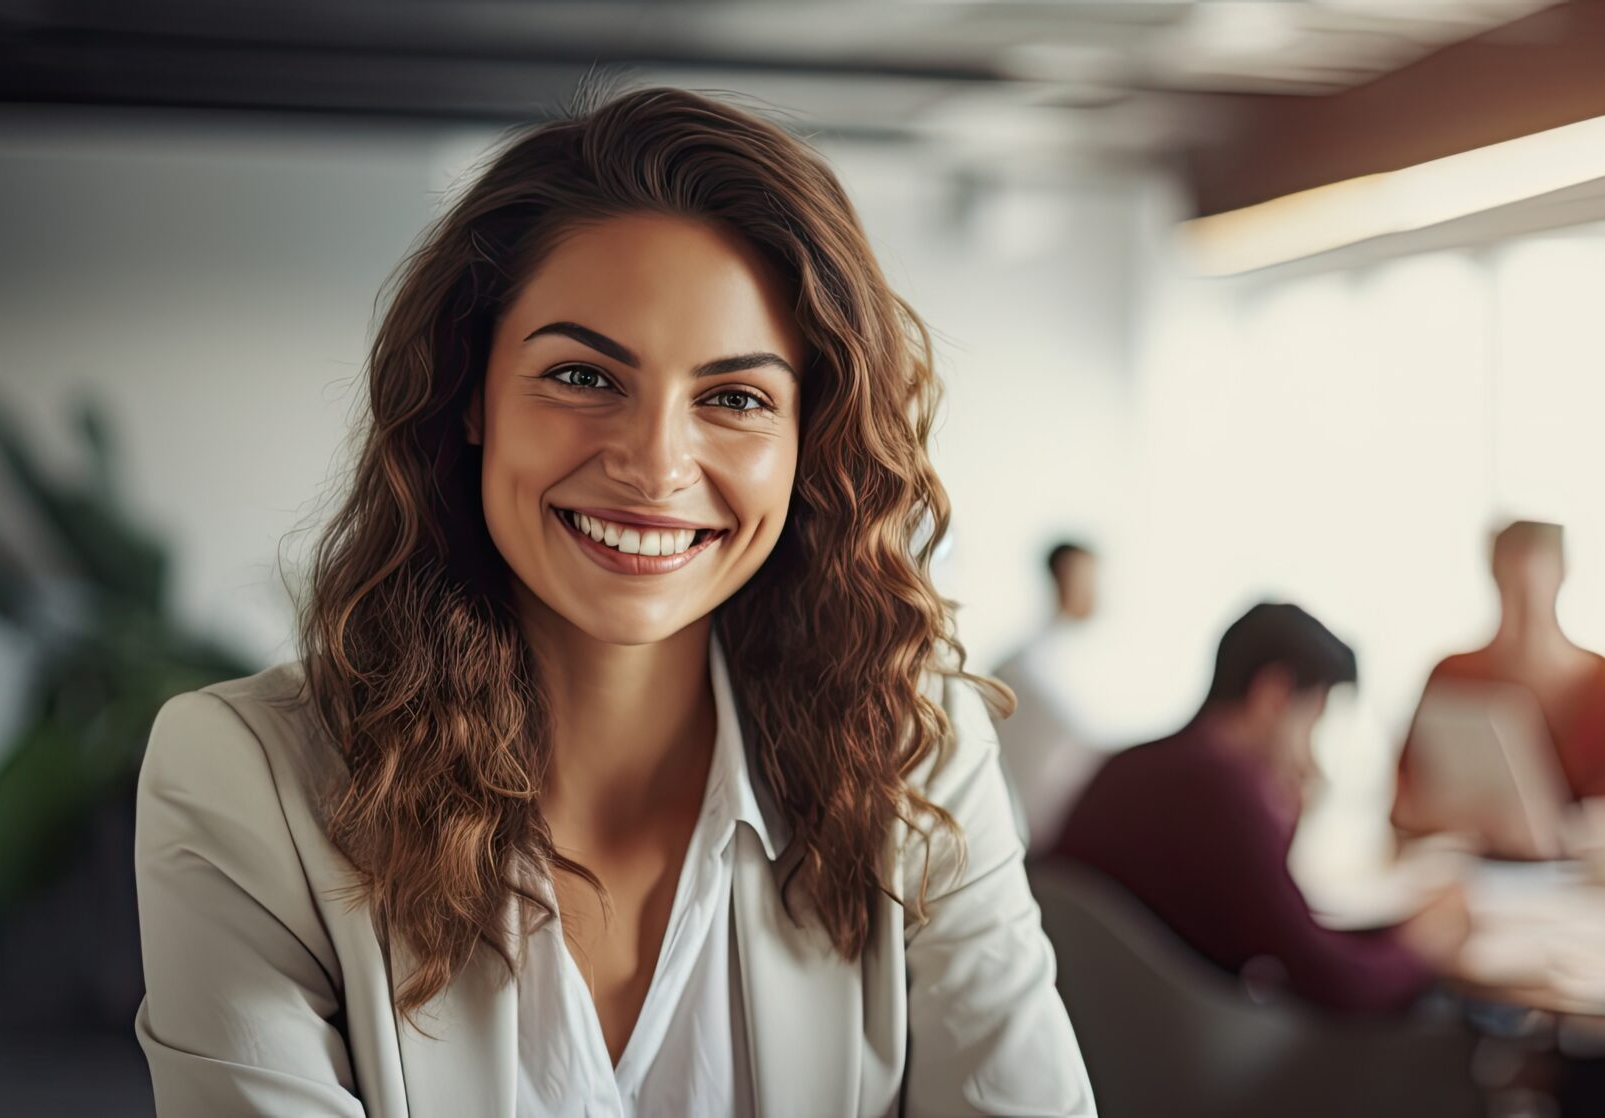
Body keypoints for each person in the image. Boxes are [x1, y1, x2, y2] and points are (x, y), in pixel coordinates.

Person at [130, 89, 1093, 1117]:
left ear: (809, 440)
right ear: (470, 393)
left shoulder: (914, 756)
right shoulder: (244, 781)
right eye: (584, 374)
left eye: (735, 398)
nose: (654, 464)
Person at [1052, 603, 1470, 1016]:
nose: (1311, 756)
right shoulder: (1224, 789)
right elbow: (1330, 979)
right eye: (1314, 719)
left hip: (1112, 1033)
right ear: (1275, 695)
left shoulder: (1130, 764)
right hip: (1189, 1050)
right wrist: (1420, 951)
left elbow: (1273, 924)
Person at [1393, 520, 1605, 840]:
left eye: (1532, 583)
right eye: (1512, 584)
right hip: (1470, 875)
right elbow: (1403, 803)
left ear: (1562, 575)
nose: (1524, 603)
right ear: (1493, 576)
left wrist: (1554, 832)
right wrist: (1482, 820)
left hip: (1574, 882)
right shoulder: (1452, 676)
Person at [992, 540, 1108, 850]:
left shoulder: (1088, 662)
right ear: (1064, 577)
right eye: (1087, 578)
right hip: (1033, 831)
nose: (1097, 591)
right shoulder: (1024, 667)